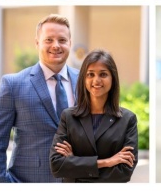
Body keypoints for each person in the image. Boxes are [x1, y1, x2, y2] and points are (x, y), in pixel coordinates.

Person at [0, 14, 79, 182]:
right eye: (48, 40)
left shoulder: (84, 81)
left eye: (62, 40)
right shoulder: (13, 84)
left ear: (70, 43)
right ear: (37, 43)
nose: (56, 45)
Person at [50, 50, 138, 183]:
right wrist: (106, 162)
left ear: (112, 78)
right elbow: (57, 166)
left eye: (103, 74)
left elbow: (124, 173)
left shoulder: (127, 120)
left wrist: (75, 164)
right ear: (83, 79)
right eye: (90, 74)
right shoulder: (68, 117)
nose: (96, 80)